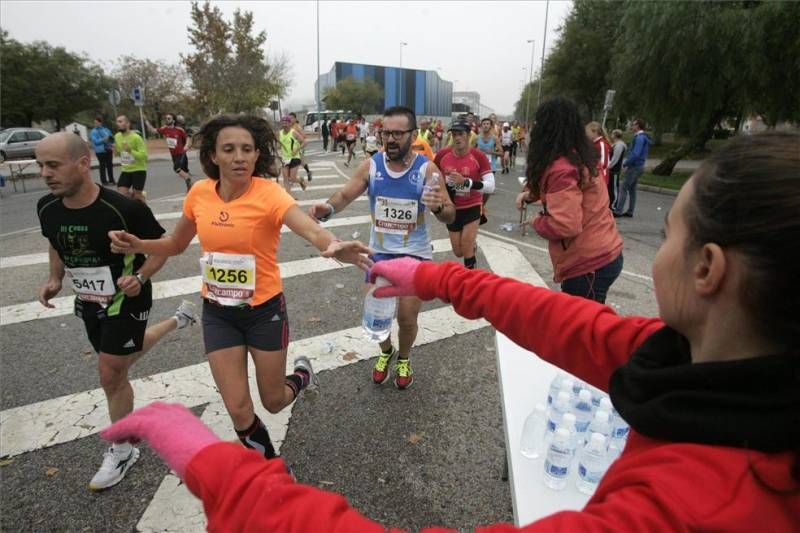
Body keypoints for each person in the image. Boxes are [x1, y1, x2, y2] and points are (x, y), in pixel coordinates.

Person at [102, 131, 800, 531]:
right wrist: (435, 278)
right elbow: (571, 323)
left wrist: (210, 464)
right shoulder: (696, 361)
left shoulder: (695, 507)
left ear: (709, 268)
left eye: (669, 234)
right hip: (343, 283)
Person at [107, 114, 372, 461]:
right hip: (219, 315)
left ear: (256, 155)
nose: (239, 157)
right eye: (229, 149)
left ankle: (303, 376)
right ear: (213, 156)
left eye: (247, 149)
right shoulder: (200, 194)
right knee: (238, 409)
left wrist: (333, 243)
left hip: (264, 313)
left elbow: (308, 227)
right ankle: (272, 470)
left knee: (274, 401)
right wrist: (137, 245)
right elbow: (174, 244)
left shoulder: (270, 194)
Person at [35, 132, 196, 491]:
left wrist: (139, 276)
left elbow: (163, 248)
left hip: (128, 296)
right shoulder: (47, 207)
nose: (45, 173)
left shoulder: (124, 208)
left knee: (110, 373)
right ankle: (178, 320)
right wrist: (54, 277)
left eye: (53, 165)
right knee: (120, 362)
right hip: (89, 301)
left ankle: (123, 448)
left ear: (82, 163)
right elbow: (55, 241)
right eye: (40, 165)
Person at [308, 106, 455, 390]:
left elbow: (450, 214)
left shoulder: (427, 169)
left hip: (415, 255)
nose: (390, 139)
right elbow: (344, 194)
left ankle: (404, 357)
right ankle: (385, 352)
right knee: (377, 315)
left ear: (412, 135)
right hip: (379, 255)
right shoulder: (372, 165)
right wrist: (326, 208)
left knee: (406, 317)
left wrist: (439, 207)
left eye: (398, 133)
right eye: (386, 132)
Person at [516, 98, 622, 303]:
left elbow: (565, 224)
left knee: (581, 329)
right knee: (589, 323)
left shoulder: (561, 168)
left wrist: (536, 222)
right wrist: (531, 194)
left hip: (588, 263)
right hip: (604, 251)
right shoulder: (579, 154)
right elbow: (568, 191)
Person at [435, 118, 495, 270]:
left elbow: (491, 186)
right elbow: (432, 177)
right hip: (451, 208)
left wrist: (466, 183)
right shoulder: (443, 155)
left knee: (466, 249)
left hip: (472, 206)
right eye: (454, 134)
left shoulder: (478, 156)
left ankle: (471, 284)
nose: (457, 138)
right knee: (458, 251)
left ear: (469, 135)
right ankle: (471, 246)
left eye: (460, 134)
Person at [145, 113, 193, 192]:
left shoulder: (179, 130)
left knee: (176, 168)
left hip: (181, 152)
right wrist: (146, 122)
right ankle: (189, 184)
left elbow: (188, 137)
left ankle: (188, 180)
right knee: (180, 170)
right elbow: (153, 131)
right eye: (166, 118)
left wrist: (186, 145)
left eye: (169, 118)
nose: (167, 120)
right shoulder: (164, 129)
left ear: (173, 121)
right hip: (173, 154)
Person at [614, 118, 651, 218]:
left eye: (633, 125)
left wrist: (626, 163)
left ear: (638, 126)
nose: (632, 126)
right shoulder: (643, 137)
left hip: (635, 166)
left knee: (623, 187)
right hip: (639, 166)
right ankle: (630, 211)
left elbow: (636, 154)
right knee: (632, 189)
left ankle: (618, 210)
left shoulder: (639, 138)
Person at [113, 115, 148, 202]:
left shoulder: (136, 138)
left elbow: (144, 156)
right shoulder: (117, 136)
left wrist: (130, 151)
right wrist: (114, 150)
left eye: (120, 121)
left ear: (128, 124)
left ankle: (143, 207)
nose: (118, 124)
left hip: (138, 169)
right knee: (122, 194)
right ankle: (138, 195)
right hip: (126, 169)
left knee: (138, 197)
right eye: (117, 122)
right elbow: (118, 154)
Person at [278, 115, 307, 195]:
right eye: (283, 122)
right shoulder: (279, 133)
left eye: (286, 122)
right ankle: (289, 197)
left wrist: (297, 150)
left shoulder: (293, 132)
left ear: (289, 123)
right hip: (285, 158)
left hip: (295, 158)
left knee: (292, 178)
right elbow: (279, 144)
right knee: (285, 179)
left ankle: (301, 180)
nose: (284, 124)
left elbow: (304, 142)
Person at [585, 121, 611, 190]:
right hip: (597, 177)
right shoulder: (595, 144)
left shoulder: (601, 144)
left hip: (601, 178)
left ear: (594, 132)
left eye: (587, 132)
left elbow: (604, 163)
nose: (586, 135)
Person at [90, 117, 115, 186]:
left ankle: (111, 180)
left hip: (108, 149)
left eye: (96, 123)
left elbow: (112, 138)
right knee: (102, 166)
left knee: (110, 165)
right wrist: (103, 139)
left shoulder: (106, 130)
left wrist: (110, 140)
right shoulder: (93, 131)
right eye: (94, 123)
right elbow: (95, 141)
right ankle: (104, 181)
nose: (95, 124)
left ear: (100, 123)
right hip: (100, 151)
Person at [289, 112, 313, 181]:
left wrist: (299, 142)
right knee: (301, 162)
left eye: (292, 118)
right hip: (292, 148)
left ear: (295, 119)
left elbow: (304, 137)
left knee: (299, 161)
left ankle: (294, 177)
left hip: (299, 147)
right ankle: (308, 172)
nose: (290, 119)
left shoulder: (297, 127)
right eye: (289, 118)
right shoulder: (290, 126)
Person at [607, 129, 627, 209]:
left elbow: (615, 158)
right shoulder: (615, 144)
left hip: (614, 171)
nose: (611, 135)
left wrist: (608, 166)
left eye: (612, 133)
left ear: (615, 135)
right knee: (610, 187)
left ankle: (614, 205)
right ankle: (610, 203)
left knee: (614, 188)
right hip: (612, 170)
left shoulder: (619, 145)